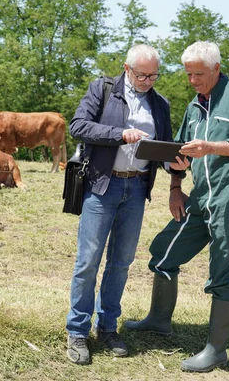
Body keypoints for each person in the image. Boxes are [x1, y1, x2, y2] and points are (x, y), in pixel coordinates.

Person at [124, 41, 229, 373]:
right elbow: (180, 155)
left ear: (216, 68)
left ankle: (216, 350)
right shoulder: (193, 107)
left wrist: (211, 146)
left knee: (224, 271)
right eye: (188, 74)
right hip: (199, 198)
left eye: (198, 74)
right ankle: (159, 322)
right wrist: (175, 188)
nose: (193, 80)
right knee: (162, 251)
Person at [65, 44, 173, 365]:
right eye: (141, 74)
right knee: (88, 262)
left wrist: (176, 161)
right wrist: (119, 134)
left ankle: (108, 328)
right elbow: (78, 126)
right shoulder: (102, 89)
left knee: (121, 262)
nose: (147, 80)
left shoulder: (161, 103)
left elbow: (164, 147)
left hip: (136, 189)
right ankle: (77, 332)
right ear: (127, 68)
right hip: (102, 185)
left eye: (153, 75)